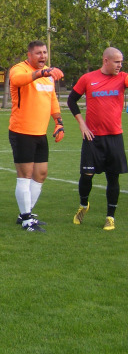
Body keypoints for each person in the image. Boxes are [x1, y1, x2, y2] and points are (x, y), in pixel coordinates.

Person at [67, 47, 128, 231]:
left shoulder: (122, 78)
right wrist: (82, 124)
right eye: (117, 62)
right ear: (105, 61)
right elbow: (71, 100)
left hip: (114, 137)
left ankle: (110, 217)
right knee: (86, 176)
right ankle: (84, 205)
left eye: (121, 62)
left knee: (113, 178)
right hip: (92, 137)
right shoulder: (88, 79)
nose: (120, 65)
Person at [8, 40, 64, 232]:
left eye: (45, 52)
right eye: (38, 53)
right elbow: (17, 81)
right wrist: (42, 72)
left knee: (40, 174)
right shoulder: (19, 69)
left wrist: (59, 122)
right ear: (29, 54)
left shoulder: (48, 74)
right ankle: (26, 220)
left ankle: (26, 212)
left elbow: (52, 99)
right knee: (25, 175)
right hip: (22, 131)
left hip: (40, 132)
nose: (42, 56)